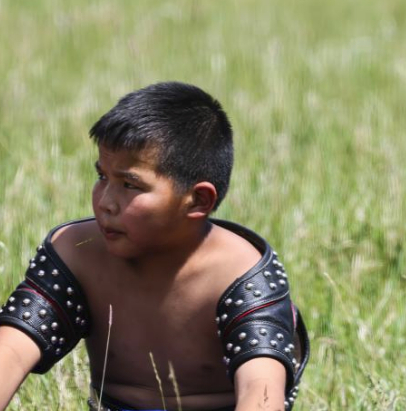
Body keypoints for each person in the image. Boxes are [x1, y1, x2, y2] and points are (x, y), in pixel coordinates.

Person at [0, 82, 309, 411]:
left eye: (130, 185)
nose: (105, 202)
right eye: (102, 176)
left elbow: (261, 395)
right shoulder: (78, 253)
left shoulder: (239, 271)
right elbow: (11, 352)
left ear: (198, 200)